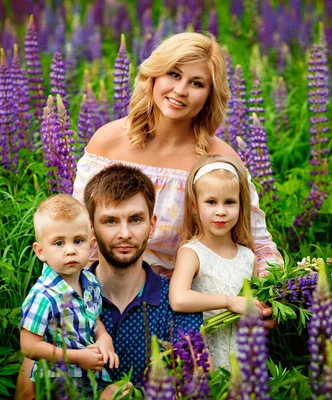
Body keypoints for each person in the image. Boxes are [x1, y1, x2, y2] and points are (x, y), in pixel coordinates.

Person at [73, 31, 283, 278]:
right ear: (153, 76)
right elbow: (76, 233)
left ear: (209, 96)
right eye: (173, 74)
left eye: (197, 83)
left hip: (189, 301)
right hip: (105, 290)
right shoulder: (108, 143)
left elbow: (259, 245)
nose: (181, 90)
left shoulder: (219, 161)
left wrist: (268, 298)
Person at [16, 166, 202, 399]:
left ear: (152, 225)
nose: (124, 233)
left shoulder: (176, 300)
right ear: (92, 230)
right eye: (111, 221)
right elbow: (26, 392)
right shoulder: (58, 296)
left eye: (135, 219)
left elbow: (196, 388)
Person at [169, 155, 265, 368]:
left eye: (229, 202)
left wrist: (265, 309)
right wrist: (229, 301)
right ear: (195, 207)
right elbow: (178, 299)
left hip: (245, 358)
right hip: (206, 358)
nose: (221, 211)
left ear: (241, 206)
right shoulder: (192, 252)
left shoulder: (248, 258)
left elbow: (254, 306)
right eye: (211, 202)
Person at [19, 194, 119, 395]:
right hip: (57, 378)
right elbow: (29, 347)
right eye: (59, 243)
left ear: (91, 246)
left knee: (122, 391)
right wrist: (77, 357)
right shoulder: (43, 295)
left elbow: (94, 318)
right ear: (40, 251)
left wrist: (104, 337)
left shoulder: (90, 283)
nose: (70, 250)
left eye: (78, 241)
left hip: (89, 375)